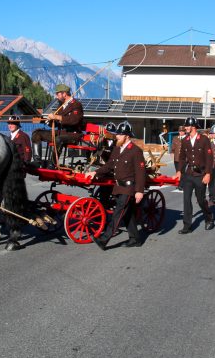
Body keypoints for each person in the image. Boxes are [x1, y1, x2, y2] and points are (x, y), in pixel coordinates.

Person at [85, 121, 146, 250]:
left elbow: (140, 173)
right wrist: (95, 172)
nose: (117, 136)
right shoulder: (118, 148)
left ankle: (103, 240)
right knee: (127, 214)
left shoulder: (136, 151)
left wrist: (139, 191)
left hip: (128, 188)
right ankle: (135, 239)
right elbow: (109, 165)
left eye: (120, 134)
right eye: (117, 134)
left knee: (117, 214)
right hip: (119, 187)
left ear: (127, 136)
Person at [0, 115, 31, 243]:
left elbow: (27, 153)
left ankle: (18, 218)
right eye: (9, 123)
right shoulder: (8, 137)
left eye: (12, 123)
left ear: (18, 125)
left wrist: (23, 166)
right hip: (7, 169)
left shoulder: (23, 136)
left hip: (17, 170)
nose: (10, 125)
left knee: (15, 195)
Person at [174, 117, 214, 233]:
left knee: (200, 200)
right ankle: (187, 226)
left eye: (187, 126)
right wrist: (179, 171)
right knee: (186, 200)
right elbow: (181, 158)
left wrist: (208, 174)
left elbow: (209, 158)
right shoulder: (185, 140)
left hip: (200, 174)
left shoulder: (204, 139)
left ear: (193, 127)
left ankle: (209, 217)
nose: (185, 128)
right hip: (188, 174)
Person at [31, 84, 84, 167]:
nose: (56, 96)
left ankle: (52, 163)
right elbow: (56, 123)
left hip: (73, 134)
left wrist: (56, 117)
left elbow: (74, 120)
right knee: (36, 133)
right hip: (60, 132)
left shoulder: (76, 105)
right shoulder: (61, 105)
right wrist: (49, 121)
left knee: (58, 139)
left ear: (64, 94)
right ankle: (37, 161)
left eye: (58, 94)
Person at [171, 125, 186, 191]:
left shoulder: (187, 138)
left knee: (182, 172)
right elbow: (173, 149)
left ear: (184, 131)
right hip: (176, 159)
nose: (181, 132)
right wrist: (172, 157)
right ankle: (179, 184)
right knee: (177, 171)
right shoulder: (175, 138)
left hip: (184, 159)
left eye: (182, 131)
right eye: (180, 131)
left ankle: (181, 185)